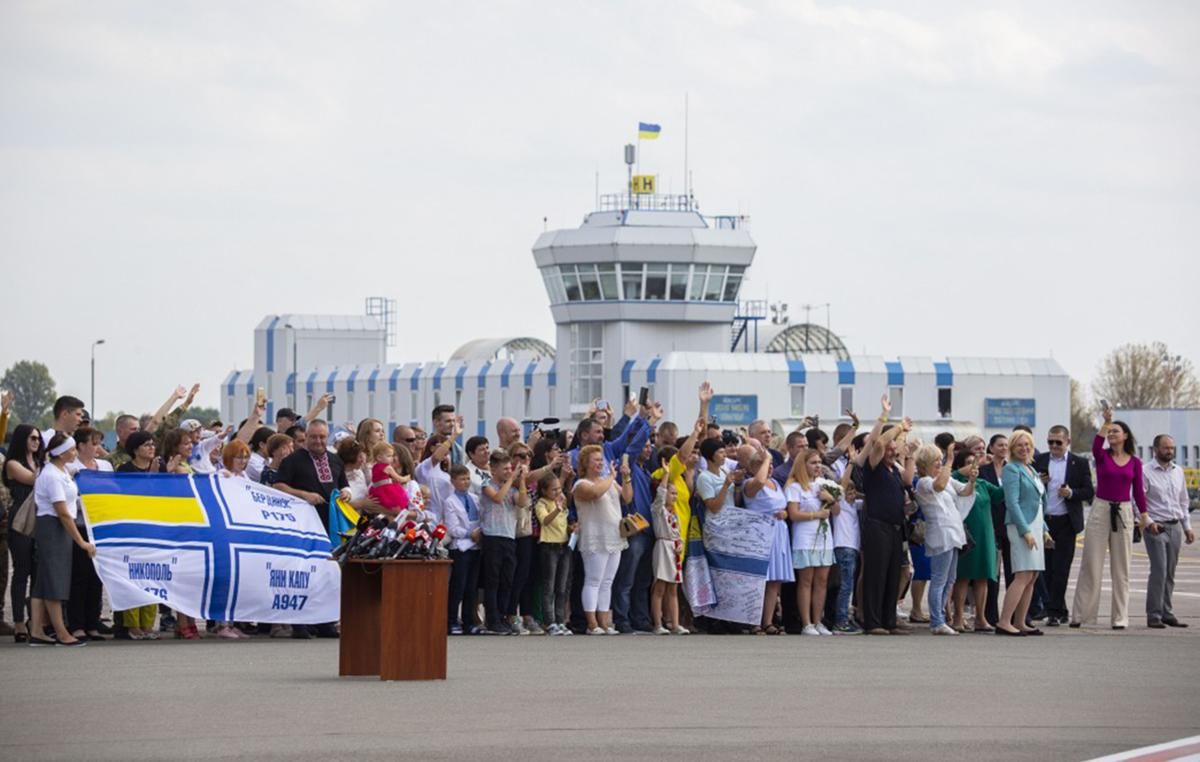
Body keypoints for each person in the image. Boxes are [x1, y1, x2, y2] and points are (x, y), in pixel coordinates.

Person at [1070, 407, 1149, 630]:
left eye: (1116, 431)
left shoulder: (1135, 462)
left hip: (1123, 511)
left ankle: (1120, 617)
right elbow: (1096, 444)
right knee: (1091, 564)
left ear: (1125, 436)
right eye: (1110, 432)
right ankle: (1082, 615)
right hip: (1101, 508)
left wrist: (1143, 516)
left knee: (1121, 568)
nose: (1112, 434)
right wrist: (1107, 422)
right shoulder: (1102, 456)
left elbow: (1139, 492)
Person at [27, 433, 93, 646]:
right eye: (72, 449)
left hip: (56, 525)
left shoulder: (61, 470)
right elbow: (62, 512)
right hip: (53, 526)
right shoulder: (52, 475)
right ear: (62, 453)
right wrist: (81, 542)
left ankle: (36, 631)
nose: (75, 453)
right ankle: (61, 632)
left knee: (43, 582)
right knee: (55, 580)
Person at [857, 396, 913, 635]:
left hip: (894, 526)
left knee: (892, 574)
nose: (891, 452)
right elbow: (878, 443)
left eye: (894, 450)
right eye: (890, 449)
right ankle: (873, 621)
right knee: (876, 574)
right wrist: (892, 422)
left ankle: (889, 620)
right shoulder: (874, 466)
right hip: (876, 525)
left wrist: (908, 453)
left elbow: (909, 480)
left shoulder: (894, 469)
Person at [1031, 426, 1095, 626]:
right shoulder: (1039, 461)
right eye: (1050, 442)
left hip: (1066, 522)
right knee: (1046, 570)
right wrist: (1038, 482)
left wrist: (1072, 493)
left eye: (1058, 442)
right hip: (1044, 522)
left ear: (1067, 441)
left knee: (1061, 569)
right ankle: (1057, 609)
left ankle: (1055, 611)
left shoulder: (1079, 463)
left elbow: (1088, 491)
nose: (1054, 446)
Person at [913, 443, 977, 635]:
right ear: (925, 465)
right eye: (936, 462)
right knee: (939, 578)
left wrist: (972, 480)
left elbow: (964, 491)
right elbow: (939, 486)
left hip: (953, 532)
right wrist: (950, 460)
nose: (939, 465)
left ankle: (940, 615)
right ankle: (936, 621)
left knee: (950, 579)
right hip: (940, 533)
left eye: (940, 461)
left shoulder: (946, 479)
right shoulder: (924, 482)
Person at [573, 443, 631, 635]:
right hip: (594, 536)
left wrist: (626, 477)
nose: (600, 463)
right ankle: (592, 623)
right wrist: (611, 476)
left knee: (607, 581)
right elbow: (596, 493)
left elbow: (627, 498)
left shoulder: (610, 481)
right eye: (596, 460)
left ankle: (604, 622)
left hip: (614, 535)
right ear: (586, 463)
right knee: (593, 579)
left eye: (601, 459)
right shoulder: (581, 484)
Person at [1141, 435, 1193, 628]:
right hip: (1156, 526)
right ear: (1155, 449)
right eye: (1165, 448)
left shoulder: (1178, 471)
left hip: (1175, 525)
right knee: (1159, 570)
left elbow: (1183, 501)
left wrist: (1187, 526)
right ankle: (1153, 615)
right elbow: (1139, 501)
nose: (1169, 451)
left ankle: (1166, 612)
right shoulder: (1145, 471)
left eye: (1172, 448)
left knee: (1170, 571)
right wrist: (1148, 522)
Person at [997, 430, 1046, 636]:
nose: (1024, 448)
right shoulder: (1011, 470)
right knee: (1023, 574)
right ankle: (1004, 621)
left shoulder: (1031, 469)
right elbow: (1013, 503)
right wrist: (1025, 530)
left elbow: (1039, 502)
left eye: (1027, 444)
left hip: (1035, 525)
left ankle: (1020, 621)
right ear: (1011, 448)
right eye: (1019, 445)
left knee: (1032, 576)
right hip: (1020, 526)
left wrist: (1044, 530)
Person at [950, 438, 1001, 632]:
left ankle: (980, 617)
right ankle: (958, 617)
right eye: (968, 463)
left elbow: (1002, 494)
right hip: (966, 536)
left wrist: (1003, 468)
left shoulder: (983, 484)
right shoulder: (955, 482)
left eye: (975, 462)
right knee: (963, 577)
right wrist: (961, 473)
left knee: (983, 577)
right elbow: (949, 477)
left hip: (985, 535)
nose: (973, 466)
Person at [65, 427, 110, 640]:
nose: (97, 448)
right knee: (79, 576)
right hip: (80, 525)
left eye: (99, 443)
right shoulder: (70, 468)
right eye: (93, 443)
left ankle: (93, 621)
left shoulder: (105, 466)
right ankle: (77, 623)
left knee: (96, 576)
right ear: (81, 445)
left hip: (101, 526)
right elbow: (69, 497)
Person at [786, 449, 836, 635]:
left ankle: (818, 620)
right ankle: (806, 622)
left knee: (822, 580)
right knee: (806, 580)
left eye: (819, 462)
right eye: (813, 463)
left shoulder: (825, 484)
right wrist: (816, 514)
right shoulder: (795, 486)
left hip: (824, 538)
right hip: (805, 537)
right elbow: (794, 514)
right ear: (803, 465)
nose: (817, 466)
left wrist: (830, 500)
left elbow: (837, 511)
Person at [479, 449, 528, 634]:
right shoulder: (487, 484)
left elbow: (522, 502)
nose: (509, 471)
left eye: (510, 468)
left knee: (507, 581)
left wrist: (521, 480)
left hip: (509, 536)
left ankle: (502, 616)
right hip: (492, 536)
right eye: (505, 469)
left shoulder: (513, 488)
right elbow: (498, 498)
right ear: (494, 470)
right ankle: (492, 619)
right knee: (493, 580)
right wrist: (510, 479)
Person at [745, 447, 793, 634]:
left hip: (778, 532)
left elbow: (783, 505)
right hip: (760, 534)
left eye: (771, 464)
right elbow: (759, 480)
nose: (769, 467)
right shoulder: (751, 483)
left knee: (774, 581)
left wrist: (785, 512)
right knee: (759, 579)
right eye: (765, 464)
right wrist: (765, 459)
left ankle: (768, 620)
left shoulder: (775, 483)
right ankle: (754, 620)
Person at [4, 423, 43, 642]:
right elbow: (34, 479)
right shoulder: (12, 463)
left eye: (38, 439)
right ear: (22, 440)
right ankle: (19, 621)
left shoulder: (39, 461)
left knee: (38, 573)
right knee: (22, 572)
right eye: (32, 439)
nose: (37, 442)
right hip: (21, 520)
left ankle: (35, 620)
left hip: (40, 520)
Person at [830, 434, 866, 635]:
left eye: (853, 492)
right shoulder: (842, 502)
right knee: (845, 586)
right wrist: (852, 463)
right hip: (843, 546)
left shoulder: (855, 505)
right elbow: (843, 486)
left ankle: (843, 618)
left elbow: (867, 499)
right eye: (849, 492)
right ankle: (840, 621)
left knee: (848, 585)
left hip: (851, 547)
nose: (851, 495)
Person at [444, 464, 482, 635]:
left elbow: (481, 518)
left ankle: (469, 621)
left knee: (471, 587)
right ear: (453, 481)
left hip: (476, 546)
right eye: (462, 479)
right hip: (460, 548)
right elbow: (453, 528)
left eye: (467, 479)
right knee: (458, 585)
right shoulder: (450, 501)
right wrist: (469, 533)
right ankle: (451, 620)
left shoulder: (474, 498)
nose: (466, 482)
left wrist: (479, 533)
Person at [977, 433, 1010, 629]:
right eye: (999, 445)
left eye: (1006, 445)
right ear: (991, 447)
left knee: (1014, 572)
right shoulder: (983, 470)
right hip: (991, 524)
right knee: (993, 573)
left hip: (1010, 523)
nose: (1003, 448)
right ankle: (990, 615)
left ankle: (1015, 615)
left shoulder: (1011, 469)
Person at [534, 472, 572, 635]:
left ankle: (560, 620)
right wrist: (557, 508)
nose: (558, 492)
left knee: (562, 587)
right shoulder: (542, 503)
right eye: (553, 490)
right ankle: (549, 622)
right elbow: (545, 520)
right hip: (549, 546)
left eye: (559, 488)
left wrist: (572, 528)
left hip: (563, 545)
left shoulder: (562, 503)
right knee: (548, 586)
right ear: (544, 491)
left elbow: (562, 524)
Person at [649, 480, 685, 635]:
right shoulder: (658, 510)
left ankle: (675, 623)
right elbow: (660, 495)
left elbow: (678, 533)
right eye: (672, 493)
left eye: (676, 494)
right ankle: (658, 624)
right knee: (660, 587)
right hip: (663, 547)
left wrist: (680, 544)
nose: (674, 497)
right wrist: (666, 475)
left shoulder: (674, 513)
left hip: (673, 550)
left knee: (673, 588)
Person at [367, 443, 411, 514]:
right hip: (387, 490)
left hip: (376, 490)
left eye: (392, 455)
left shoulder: (374, 467)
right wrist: (406, 478)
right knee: (397, 502)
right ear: (379, 457)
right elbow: (398, 479)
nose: (392, 458)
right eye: (389, 456)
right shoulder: (388, 467)